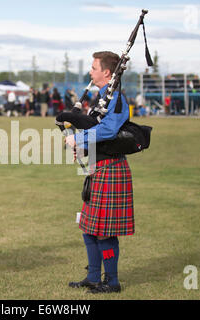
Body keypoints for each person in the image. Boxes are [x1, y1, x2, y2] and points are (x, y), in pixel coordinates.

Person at [65, 51, 134, 294]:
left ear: (106, 72)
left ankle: (112, 281)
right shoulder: (102, 97)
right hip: (97, 168)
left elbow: (109, 130)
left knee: (105, 234)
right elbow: (97, 128)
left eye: (93, 68)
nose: (90, 72)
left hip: (111, 169)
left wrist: (79, 138)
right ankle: (93, 277)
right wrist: (82, 146)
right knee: (89, 228)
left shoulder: (115, 98)